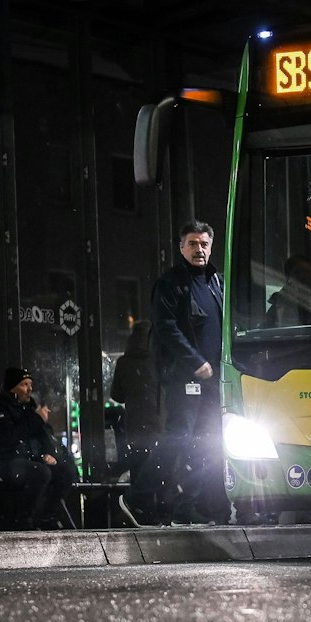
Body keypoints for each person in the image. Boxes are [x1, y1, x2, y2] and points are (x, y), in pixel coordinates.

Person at [125, 219, 226, 526]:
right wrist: (195, 362)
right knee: (179, 438)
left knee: (210, 442)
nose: (199, 249)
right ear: (181, 247)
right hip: (186, 378)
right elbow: (166, 328)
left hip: (213, 379)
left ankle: (189, 505)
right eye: (193, 244)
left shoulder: (216, 282)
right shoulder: (170, 283)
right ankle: (138, 497)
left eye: (204, 244)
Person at [0, 367, 73, 529]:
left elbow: (43, 434)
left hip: (26, 459)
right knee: (40, 472)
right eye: (24, 384)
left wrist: (48, 453)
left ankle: (48, 516)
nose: (29, 389)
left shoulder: (29, 406)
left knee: (66, 471)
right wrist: (37, 419)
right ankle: (23, 519)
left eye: (30, 384)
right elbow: (10, 437)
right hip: (2, 460)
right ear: (12, 387)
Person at [109, 320, 160, 484]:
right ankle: (160, 504)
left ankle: (140, 503)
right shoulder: (157, 360)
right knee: (160, 468)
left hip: (135, 425)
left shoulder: (124, 362)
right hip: (158, 422)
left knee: (138, 468)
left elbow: (117, 395)